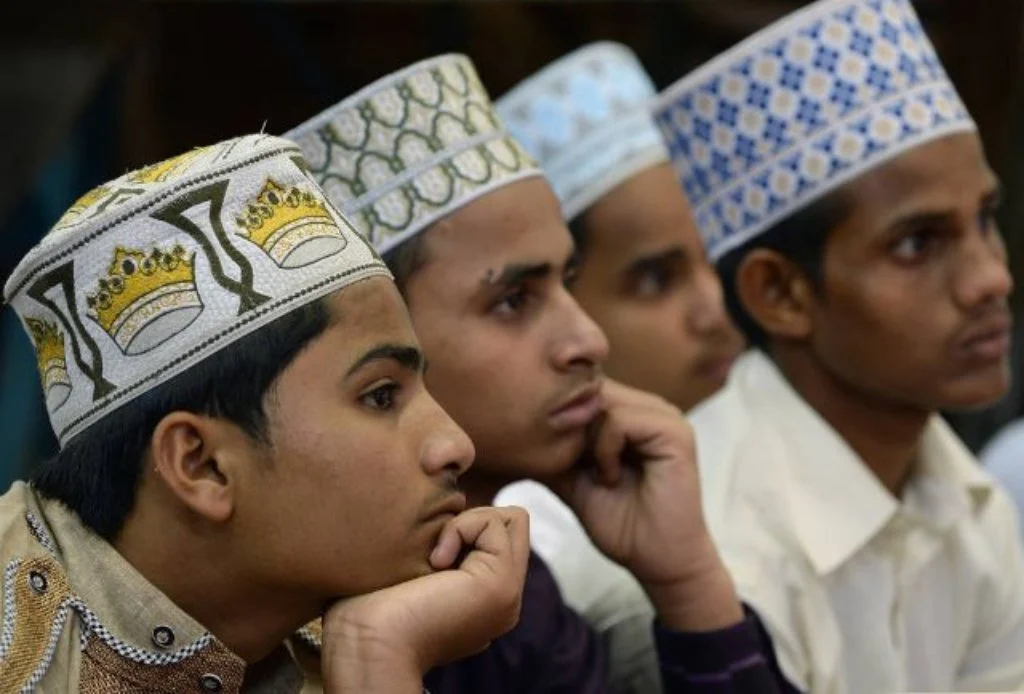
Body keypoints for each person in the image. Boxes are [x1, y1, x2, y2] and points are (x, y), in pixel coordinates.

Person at [286, 54, 796, 693]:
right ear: (384, 342)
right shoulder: (272, 643)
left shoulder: (517, 599)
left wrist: (688, 581)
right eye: (512, 301)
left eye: (568, 282)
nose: (588, 341)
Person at [0, 134, 532, 693]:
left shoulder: (340, 622)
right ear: (202, 465)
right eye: (380, 396)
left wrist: (376, 652)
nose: (456, 445)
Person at [651, 0, 1024, 691]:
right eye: (918, 244)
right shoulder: (721, 558)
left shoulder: (970, 506)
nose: (990, 278)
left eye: (985, 219)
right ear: (781, 294)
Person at [491, 42, 746, 692]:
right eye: (657, 278)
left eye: (713, 260)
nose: (716, 312)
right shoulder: (539, 547)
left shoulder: (767, 436)